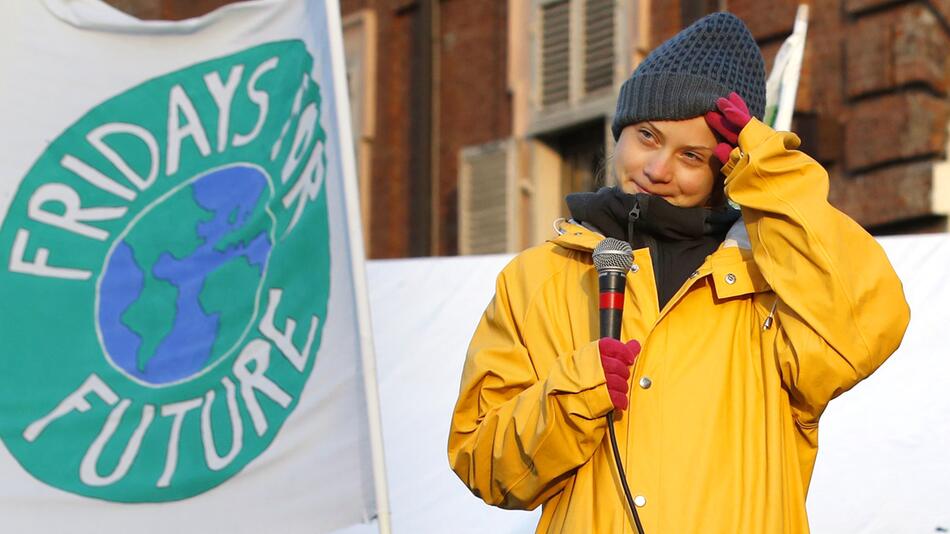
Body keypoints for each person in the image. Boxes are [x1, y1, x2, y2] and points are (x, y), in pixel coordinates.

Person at [447, 11, 910, 534]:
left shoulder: (774, 283)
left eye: (691, 155)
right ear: (620, 132)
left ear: (725, 169)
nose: (657, 168)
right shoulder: (538, 278)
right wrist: (576, 390)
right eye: (647, 135)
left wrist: (769, 170)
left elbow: (868, 323)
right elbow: (483, 463)